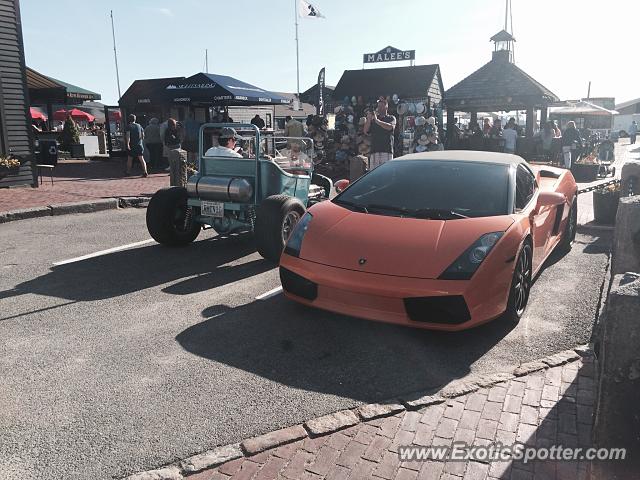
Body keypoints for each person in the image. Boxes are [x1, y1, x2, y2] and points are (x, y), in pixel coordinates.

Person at [363, 97, 396, 168]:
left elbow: (390, 127)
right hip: (374, 150)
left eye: (381, 106)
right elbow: (365, 131)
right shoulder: (373, 119)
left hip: (386, 151)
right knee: (373, 174)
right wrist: (368, 119)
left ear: (386, 107)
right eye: (378, 106)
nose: (379, 108)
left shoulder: (391, 118)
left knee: (386, 173)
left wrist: (377, 121)